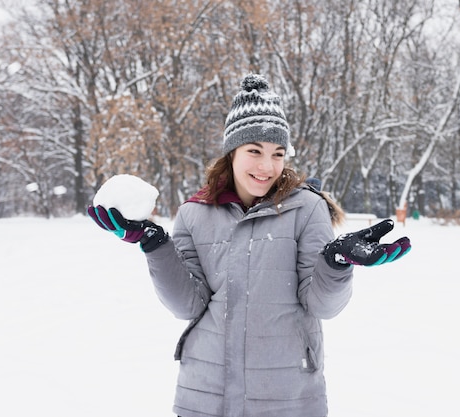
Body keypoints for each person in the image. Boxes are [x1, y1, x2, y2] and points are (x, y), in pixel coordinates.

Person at [88, 74, 411, 417]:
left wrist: (336, 261)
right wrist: (155, 245)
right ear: (232, 152)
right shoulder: (194, 213)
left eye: (277, 153)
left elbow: (321, 305)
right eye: (254, 151)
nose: (266, 166)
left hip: (286, 396)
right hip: (204, 394)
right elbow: (189, 305)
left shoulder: (306, 210)